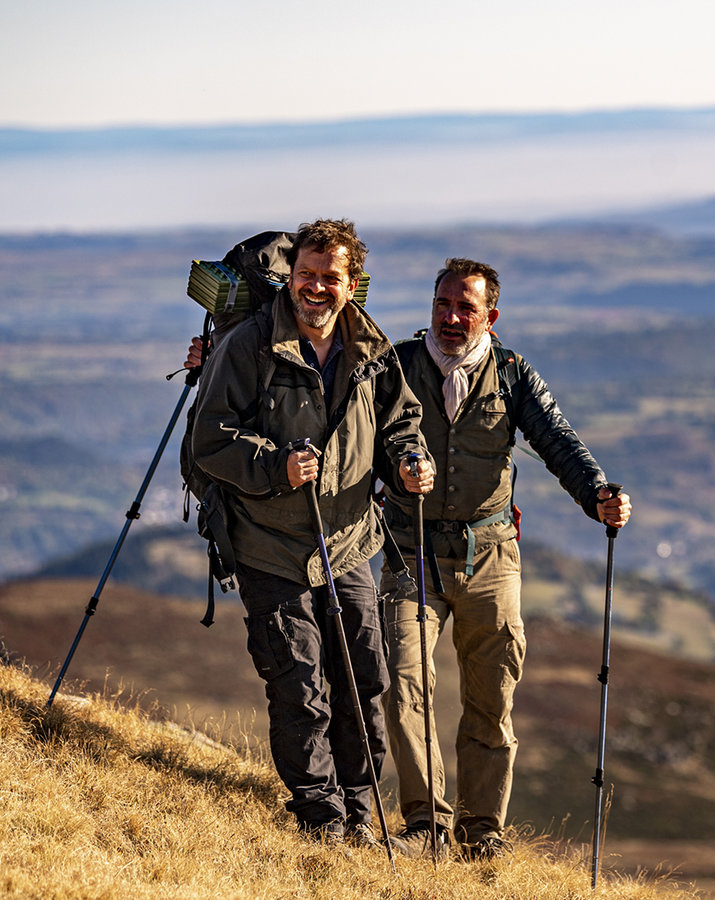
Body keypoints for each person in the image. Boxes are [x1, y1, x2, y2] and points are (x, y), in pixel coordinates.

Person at [189, 219, 435, 848]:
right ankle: (321, 817)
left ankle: (361, 807)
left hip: (348, 544)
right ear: (291, 277)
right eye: (306, 276)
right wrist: (275, 466)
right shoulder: (247, 346)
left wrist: (409, 460)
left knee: (361, 679)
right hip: (270, 547)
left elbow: (398, 422)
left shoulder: (370, 349)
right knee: (299, 684)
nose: (316, 289)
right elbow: (209, 442)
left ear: (353, 284)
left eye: (331, 278)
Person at [377, 258, 631, 860]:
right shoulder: (397, 367)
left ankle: (481, 830)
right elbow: (367, 435)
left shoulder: (512, 373)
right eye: (443, 304)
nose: (451, 317)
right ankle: (426, 825)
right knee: (401, 682)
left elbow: (557, 440)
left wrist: (597, 493)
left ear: (490, 315)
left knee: (492, 693)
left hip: (491, 555)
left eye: (466, 307)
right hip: (409, 550)